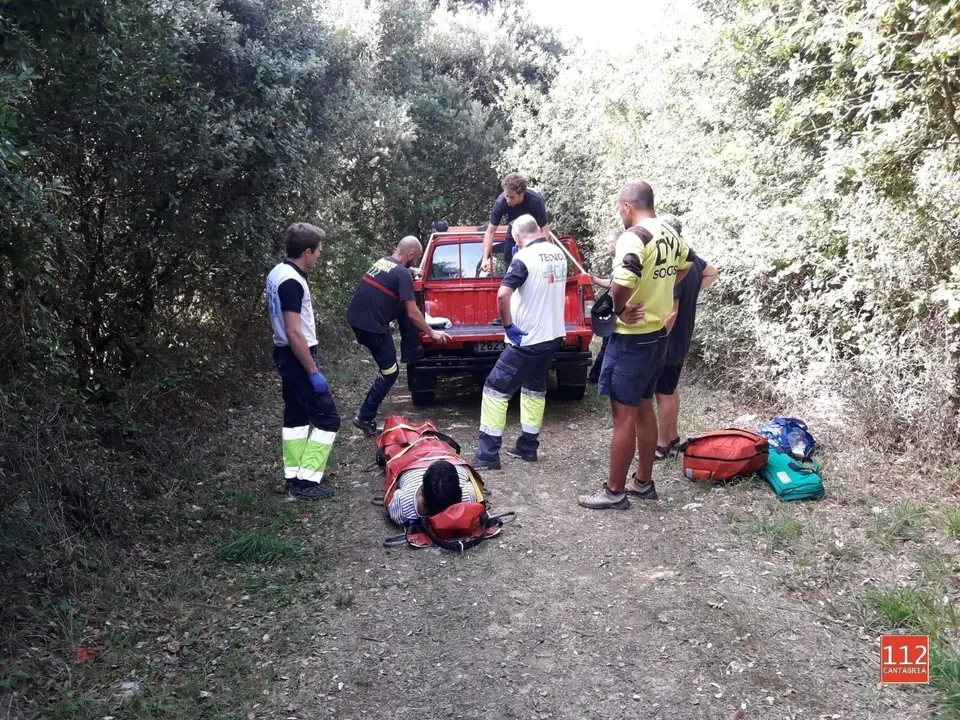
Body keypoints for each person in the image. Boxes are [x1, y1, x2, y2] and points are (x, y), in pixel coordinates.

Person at [578, 181, 698, 510]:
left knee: (624, 417)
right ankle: (643, 482)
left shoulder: (634, 236)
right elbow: (687, 265)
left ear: (628, 206)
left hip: (631, 340)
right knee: (645, 408)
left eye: (620, 208)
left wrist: (620, 308)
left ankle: (614, 491)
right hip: (659, 335)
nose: (620, 214)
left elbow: (624, 281)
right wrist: (659, 291)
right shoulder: (671, 234)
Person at [474, 214, 567, 470]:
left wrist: (508, 326)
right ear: (538, 230)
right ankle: (528, 446)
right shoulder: (557, 253)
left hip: (526, 339)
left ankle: (487, 455)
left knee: (495, 389)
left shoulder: (523, 258)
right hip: (552, 335)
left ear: (516, 237)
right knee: (534, 388)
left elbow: (503, 294)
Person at [265, 223, 341, 501]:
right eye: (319, 251)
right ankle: (306, 482)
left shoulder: (277, 272)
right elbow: (294, 330)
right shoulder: (291, 282)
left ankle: (294, 474)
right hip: (297, 357)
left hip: (285, 355)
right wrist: (312, 370)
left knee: (296, 419)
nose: (319, 256)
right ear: (307, 251)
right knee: (329, 419)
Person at [346, 236, 452, 437]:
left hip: (356, 319)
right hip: (372, 328)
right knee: (390, 373)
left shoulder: (384, 262)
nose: (415, 263)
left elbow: (398, 272)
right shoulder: (401, 275)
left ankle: (410, 351)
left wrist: (411, 271)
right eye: (416, 259)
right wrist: (431, 332)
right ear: (410, 255)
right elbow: (413, 313)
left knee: (405, 309)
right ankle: (364, 417)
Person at [654, 214, 719, 459]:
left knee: (664, 392)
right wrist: (696, 291)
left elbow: (672, 311)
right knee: (671, 388)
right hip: (683, 336)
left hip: (669, 338)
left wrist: (659, 338)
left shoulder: (674, 264)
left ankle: (662, 446)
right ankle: (672, 437)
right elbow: (712, 272)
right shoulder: (693, 259)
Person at [480, 172, 551, 278]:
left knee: (534, 269)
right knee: (511, 267)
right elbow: (490, 232)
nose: (508, 200)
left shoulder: (535, 201)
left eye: (512, 197)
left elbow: (544, 230)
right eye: (506, 195)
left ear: (521, 193)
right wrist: (485, 258)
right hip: (514, 233)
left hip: (532, 235)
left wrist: (543, 253)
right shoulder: (501, 202)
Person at [388, 459, 480, 526]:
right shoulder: (468, 497)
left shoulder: (404, 504)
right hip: (449, 459)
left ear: (422, 491)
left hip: (411, 462)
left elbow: (393, 507)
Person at [587, 231, 621, 384]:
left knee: (608, 345)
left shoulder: (625, 260)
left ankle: (598, 378)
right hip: (618, 312)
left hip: (619, 313)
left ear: (615, 244)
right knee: (609, 344)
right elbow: (613, 283)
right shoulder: (620, 261)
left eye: (608, 243)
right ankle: (598, 377)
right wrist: (595, 280)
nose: (608, 247)